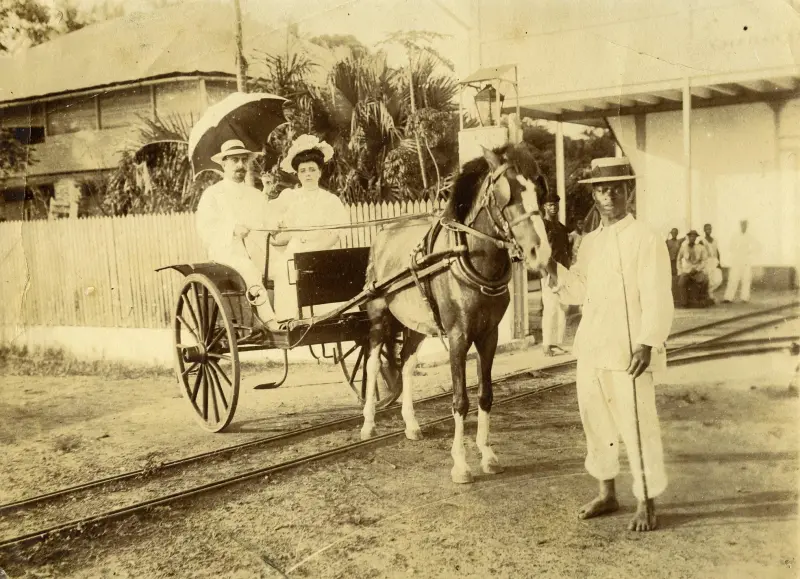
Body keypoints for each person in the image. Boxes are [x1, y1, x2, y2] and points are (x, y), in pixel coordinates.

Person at [545, 157, 674, 532]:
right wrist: (550, 268)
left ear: (628, 192)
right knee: (595, 423)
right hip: (592, 349)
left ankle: (646, 501)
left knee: (637, 426)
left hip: (628, 352)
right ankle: (607, 493)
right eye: (602, 189)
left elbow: (657, 294)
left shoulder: (646, 237)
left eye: (616, 188)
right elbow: (578, 290)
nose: (609, 195)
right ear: (593, 194)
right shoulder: (590, 243)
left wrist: (647, 342)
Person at [195, 139, 280, 332]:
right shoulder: (213, 194)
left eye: (244, 160)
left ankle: (286, 316)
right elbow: (205, 227)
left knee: (283, 267)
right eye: (235, 160)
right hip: (226, 254)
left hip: (255, 249)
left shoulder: (255, 195)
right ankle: (268, 320)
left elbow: (267, 221)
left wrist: (274, 226)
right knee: (248, 269)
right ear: (224, 163)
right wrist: (232, 228)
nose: (241, 165)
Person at [268, 134, 349, 320]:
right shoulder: (289, 197)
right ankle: (291, 318)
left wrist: (318, 250)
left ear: (320, 172)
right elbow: (275, 229)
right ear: (297, 174)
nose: (308, 174)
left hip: (324, 249)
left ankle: (329, 316)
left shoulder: (330, 200)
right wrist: (277, 228)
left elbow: (336, 234)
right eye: (303, 170)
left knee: (331, 269)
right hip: (295, 251)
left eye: (312, 169)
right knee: (286, 270)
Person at [541, 191, 571, 356]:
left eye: (556, 204)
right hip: (549, 272)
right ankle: (546, 345)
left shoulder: (560, 227)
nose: (554, 207)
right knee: (550, 308)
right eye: (550, 204)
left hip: (563, 270)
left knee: (562, 308)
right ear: (545, 206)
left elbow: (567, 250)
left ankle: (556, 343)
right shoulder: (543, 226)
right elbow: (541, 253)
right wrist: (547, 275)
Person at [723, 220, 759, 303]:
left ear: (747, 226)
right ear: (740, 225)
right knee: (733, 278)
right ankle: (728, 298)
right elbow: (731, 247)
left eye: (745, 225)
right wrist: (736, 252)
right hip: (736, 259)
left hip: (746, 260)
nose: (744, 226)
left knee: (746, 279)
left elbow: (757, 246)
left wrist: (749, 251)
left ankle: (745, 298)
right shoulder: (735, 235)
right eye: (742, 224)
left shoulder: (750, 236)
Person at [675, 230, 710, 308]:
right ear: (688, 237)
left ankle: (702, 301)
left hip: (697, 270)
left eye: (694, 237)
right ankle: (684, 303)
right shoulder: (683, 248)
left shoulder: (701, 248)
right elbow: (678, 259)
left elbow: (705, 260)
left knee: (705, 280)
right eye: (691, 236)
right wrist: (680, 270)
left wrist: (697, 269)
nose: (692, 238)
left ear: (696, 238)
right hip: (687, 271)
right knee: (681, 283)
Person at [703, 223, 723, 300]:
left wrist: (719, 262)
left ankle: (709, 291)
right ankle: (709, 295)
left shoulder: (715, 240)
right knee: (709, 279)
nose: (709, 230)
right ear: (704, 230)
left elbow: (717, 252)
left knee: (718, 279)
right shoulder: (702, 240)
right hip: (707, 261)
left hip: (715, 261)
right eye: (707, 229)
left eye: (710, 229)